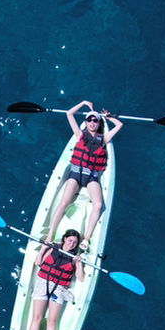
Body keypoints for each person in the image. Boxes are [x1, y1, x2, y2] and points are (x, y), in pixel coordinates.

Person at [46, 100, 123, 250]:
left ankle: (86, 239)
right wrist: (84, 103)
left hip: (91, 178)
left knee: (99, 205)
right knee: (64, 203)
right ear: (86, 122)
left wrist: (108, 117)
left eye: (95, 120)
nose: (92, 122)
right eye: (89, 119)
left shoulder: (103, 139)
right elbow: (69, 114)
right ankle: (50, 235)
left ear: (99, 123)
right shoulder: (79, 134)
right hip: (75, 175)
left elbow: (119, 125)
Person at [23, 230, 85, 330]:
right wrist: (43, 249)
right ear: (64, 239)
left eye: (74, 242)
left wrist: (79, 263)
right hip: (43, 283)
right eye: (69, 240)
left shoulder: (75, 257)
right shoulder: (53, 249)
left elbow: (80, 278)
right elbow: (38, 263)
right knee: (37, 317)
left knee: (52, 321)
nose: (71, 244)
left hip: (59, 289)